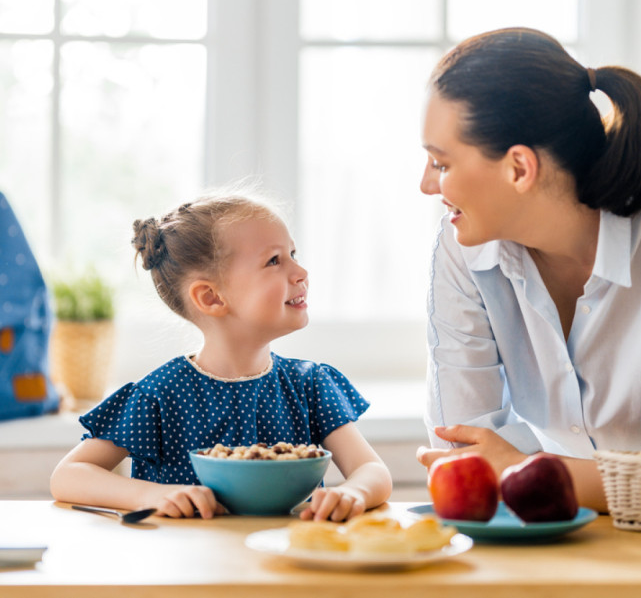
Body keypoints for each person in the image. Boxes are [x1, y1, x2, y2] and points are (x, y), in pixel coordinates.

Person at [414, 27, 641, 512]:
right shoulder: (462, 248)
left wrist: (522, 467)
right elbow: (462, 454)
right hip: (548, 527)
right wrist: (526, 471)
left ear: (519, 168)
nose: (426, 185)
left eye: (440, 164)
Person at [51, 192, 392, 521]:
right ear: (211, 297)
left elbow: (371, 470)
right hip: (190, 559)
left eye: (293, 253)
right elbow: (69, 475)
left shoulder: (309, 386)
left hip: (286, 557)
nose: (301, 271)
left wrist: (354, 493)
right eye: (274, 260)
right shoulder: (160, 395)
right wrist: (151, 495)